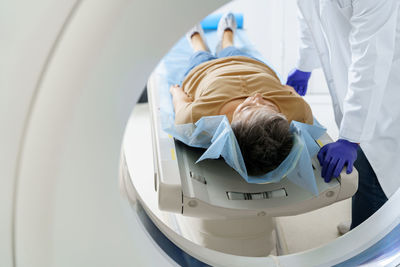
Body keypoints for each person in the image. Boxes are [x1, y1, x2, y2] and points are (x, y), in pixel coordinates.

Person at [287, 0, 400, 230]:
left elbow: (372, 57)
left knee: (373, 168)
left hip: (385, 84)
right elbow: (310, 15)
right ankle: (364, 227)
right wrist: (304, 64)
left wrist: (351, 136)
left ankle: (369, 241)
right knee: (360, 163)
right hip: (360, 81)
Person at [170, 13, 313, 176]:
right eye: (268, 106)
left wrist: (175, 91)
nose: (257, 97)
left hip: (203, 71)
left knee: (200, 53)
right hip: (249, 64)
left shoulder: (197, 118)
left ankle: (196, 37)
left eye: (246, 108)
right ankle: (227, 36)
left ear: (231, 130)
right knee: (230, 49)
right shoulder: (300, 112)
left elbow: (181, 103)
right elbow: (290, 90)